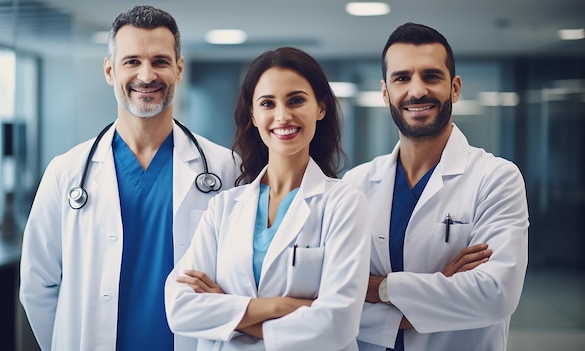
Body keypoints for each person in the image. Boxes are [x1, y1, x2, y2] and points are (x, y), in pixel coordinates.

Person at [19, 5, 240, 351]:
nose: (147, 75)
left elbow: (242, 276)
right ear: (110, 70)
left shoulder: (223, 168)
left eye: (161, 61)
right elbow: (38, 283)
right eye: (132, 61)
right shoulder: (67, 172)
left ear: (179, 69)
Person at [164, 47, 370, 350]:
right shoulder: (224, 207)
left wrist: (230, 312)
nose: (283, 115)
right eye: (267, 103)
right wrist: (279, 307)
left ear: (321, 107)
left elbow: (338, 326)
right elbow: (180, 310)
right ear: (254, 115)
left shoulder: (344, 203)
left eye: (296, 100)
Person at [342, 22, 529, 351]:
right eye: (402, 78)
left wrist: (378, 288)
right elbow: (332, 297)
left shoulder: (496, 178)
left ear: (455, 88)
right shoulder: (355, 183)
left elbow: (494, 295)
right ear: (385, 91)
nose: (416, 91)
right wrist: (440, 289)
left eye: (431, 76)